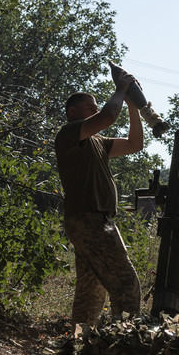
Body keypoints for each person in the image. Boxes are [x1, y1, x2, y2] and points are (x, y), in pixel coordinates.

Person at [54, 67, 144, 326]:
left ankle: (79, 347)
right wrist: (120, 90)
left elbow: (134, 144)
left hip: (94, 220)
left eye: (95, 108)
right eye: (89, 108)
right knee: (125, 283)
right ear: (73, 112)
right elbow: (107, 115)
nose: (94, 111)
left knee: (91, 290)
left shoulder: (98, 141)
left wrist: (132, 106)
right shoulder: (69, 134)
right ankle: (127, 342)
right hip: (89, 220)